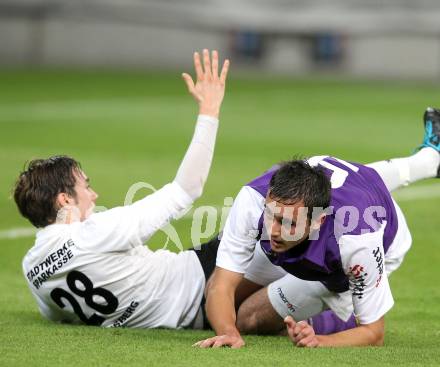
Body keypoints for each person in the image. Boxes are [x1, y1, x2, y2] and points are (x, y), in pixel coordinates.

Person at [14, 49, 230, 329]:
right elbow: (187, 188)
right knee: (267, 207)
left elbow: (56, 315)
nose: (94, 195)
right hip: (206, 280)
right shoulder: (93, 234)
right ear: (65, 199)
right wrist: (209, 111)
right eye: (86, 186)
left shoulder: (32, 268)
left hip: (193, 317)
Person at [195, 108, 440, 348]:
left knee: (249, 318)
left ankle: (336, 315)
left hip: (373, 246)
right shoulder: (252, 201)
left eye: (289, 223)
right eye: (271, 216)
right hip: (353, 189)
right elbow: (221, 285)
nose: (275, 231)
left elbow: (374, 333)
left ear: (317, 221)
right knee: (223, 301)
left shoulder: (357, 241)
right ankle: (430, 160)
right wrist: (228, 333)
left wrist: (319, 341)